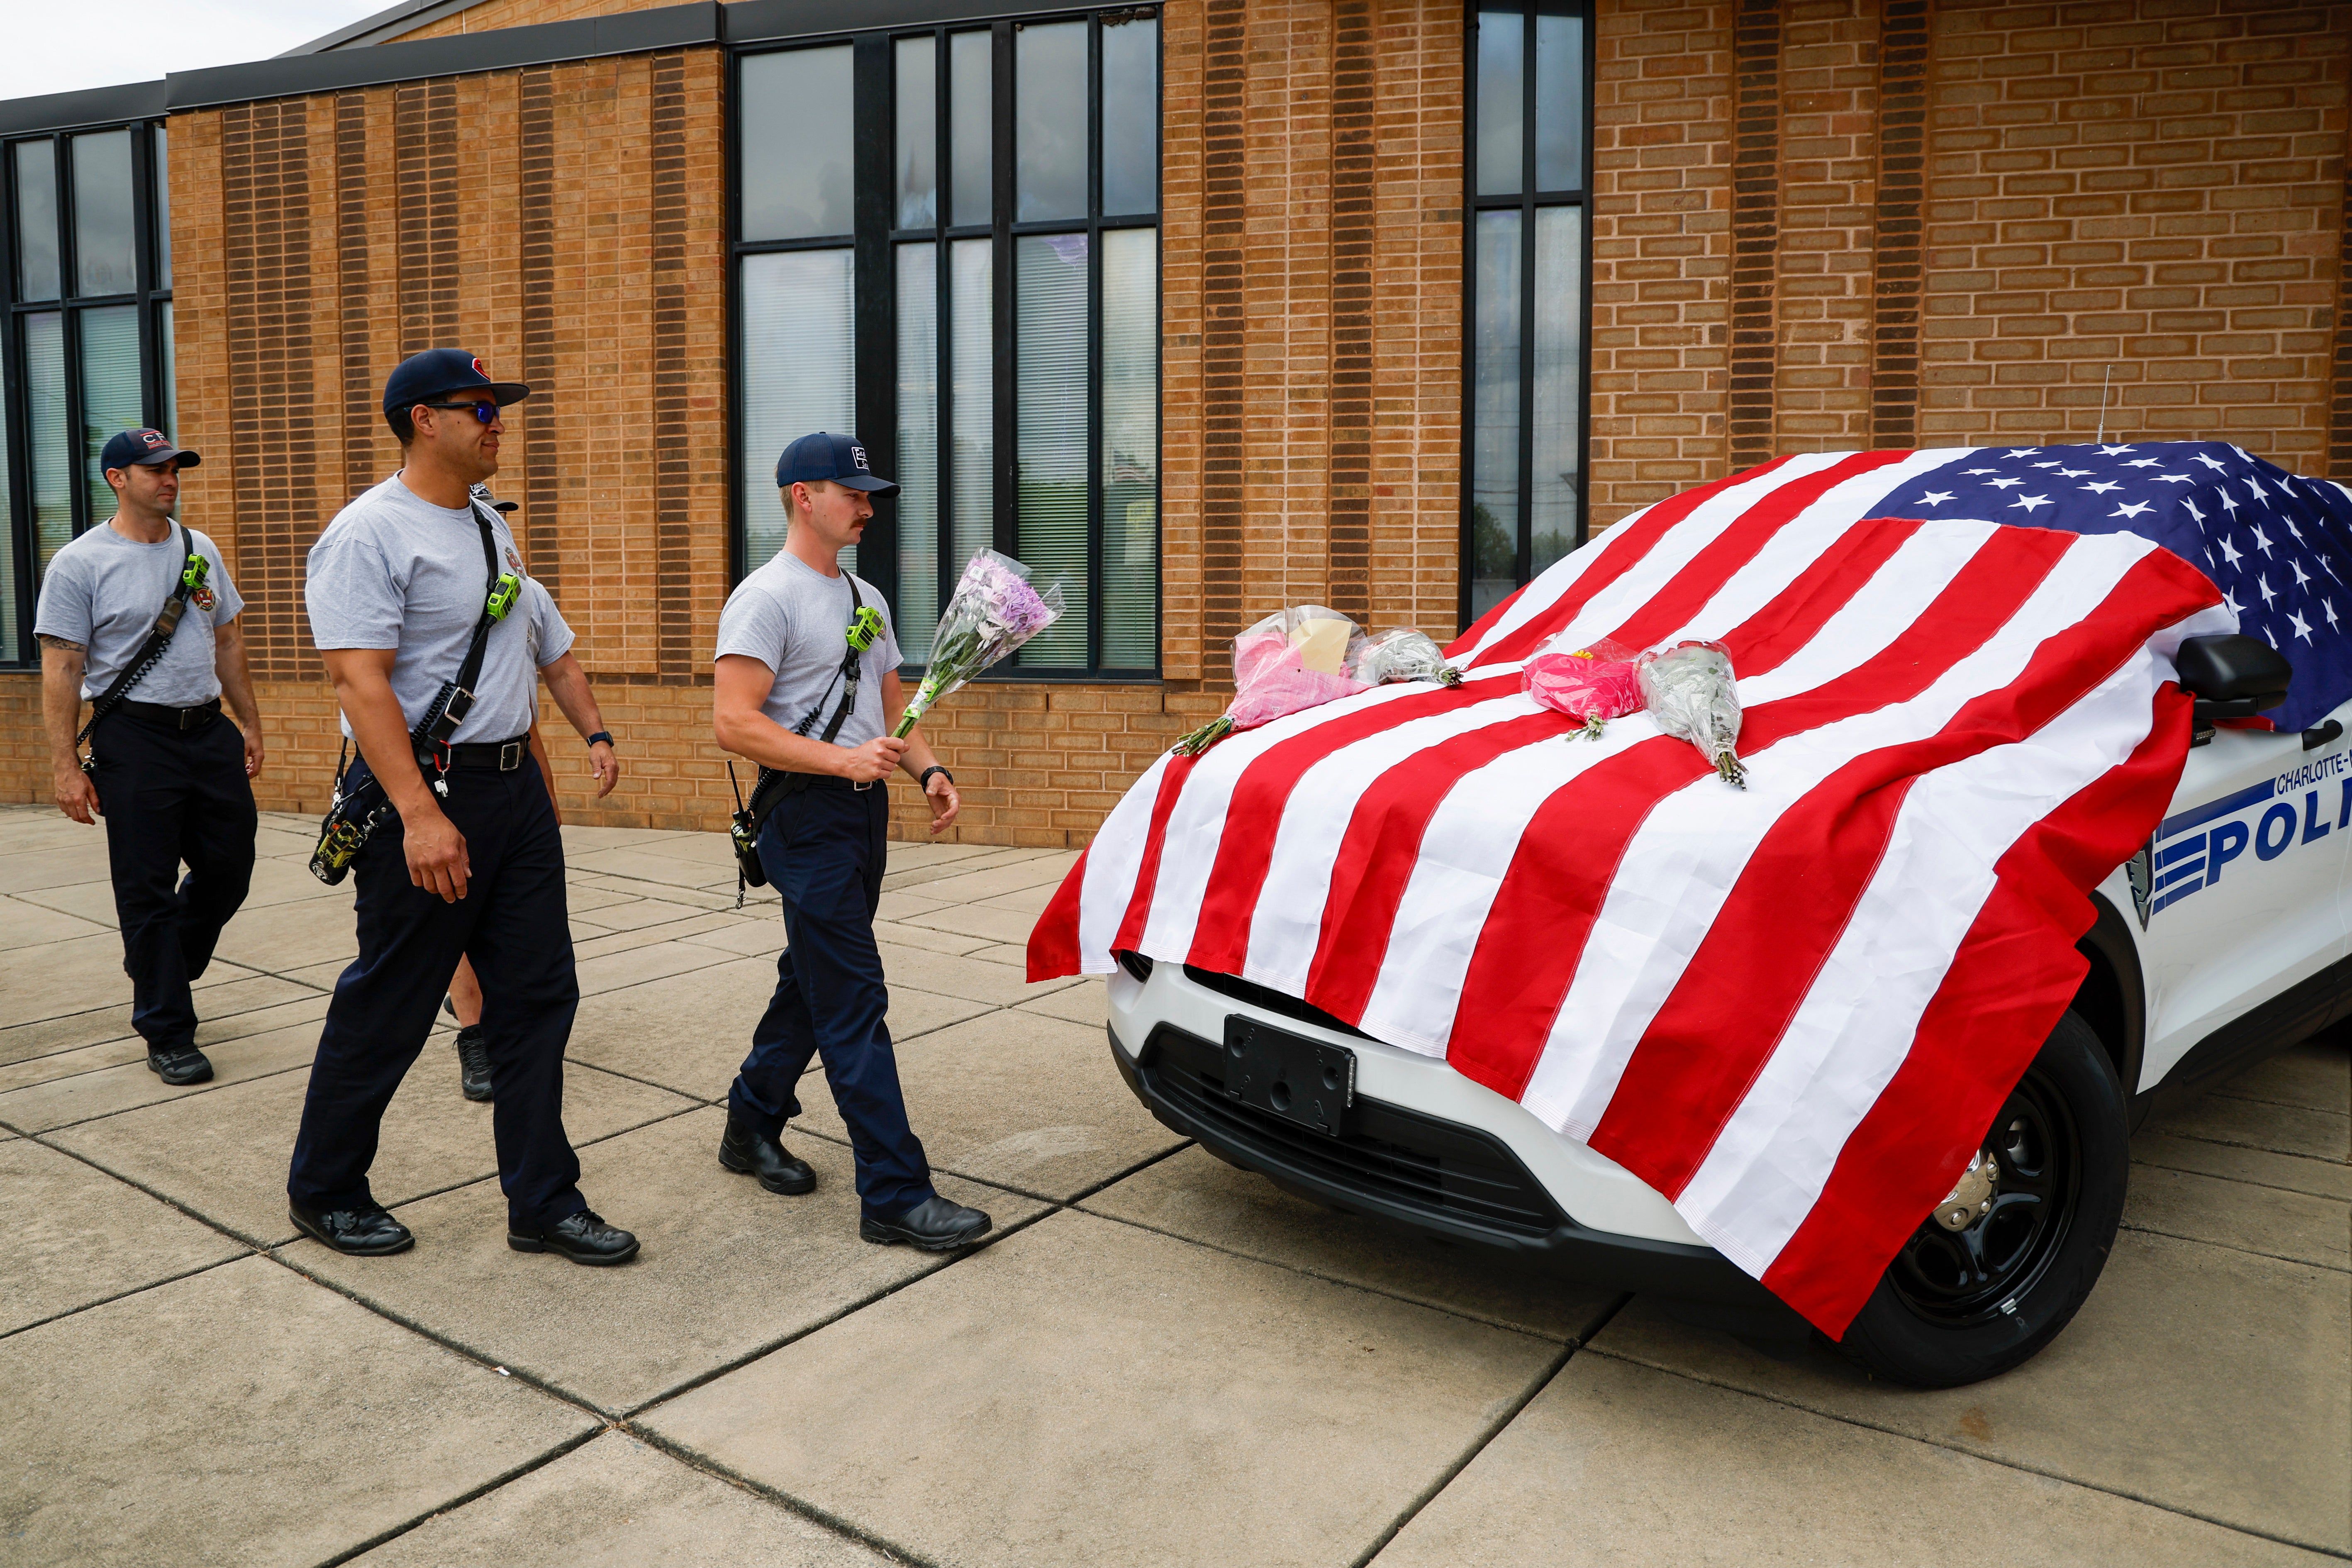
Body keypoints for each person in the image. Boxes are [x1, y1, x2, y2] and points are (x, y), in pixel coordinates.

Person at [286, 348, 633, 1265]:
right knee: (393, 1001)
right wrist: (419, 814)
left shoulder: (486, 524)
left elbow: (524, 658)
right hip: (427, 792)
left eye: (498, 406)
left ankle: (543, 1202)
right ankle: (325, 1190)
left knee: (538, 998)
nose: (497, 421)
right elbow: (359, 683)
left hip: (512, 793)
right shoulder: (368, 534)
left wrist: (555, 764)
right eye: (479, 407)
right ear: (422, 420)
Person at [711, 431, 988, 1251]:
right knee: (853, 998)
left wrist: (928, 770)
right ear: (804, 497)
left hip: (863, 815)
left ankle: (750, 1121)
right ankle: (895, 1195)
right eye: (853, 494)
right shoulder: (766, 598)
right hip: (805, 816)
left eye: (871, 496)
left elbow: (891, 705)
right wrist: (841, 761)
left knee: (814, 981)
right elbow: (734, 722)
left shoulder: (866, 595)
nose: (867, 508)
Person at [36, 428, 263, 1086]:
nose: (170, 480)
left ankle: (159, 964)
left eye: (175, 470)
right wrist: (65, 766)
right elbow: (62, 668)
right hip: (134, 739)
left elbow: (228, 641)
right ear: (117, 478)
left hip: (208, 731)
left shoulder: (199, 548)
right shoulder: (80, 563)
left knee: (230, 868)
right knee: (147, 888)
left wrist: (249, 721)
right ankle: (167, 1028)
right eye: (155, 470)